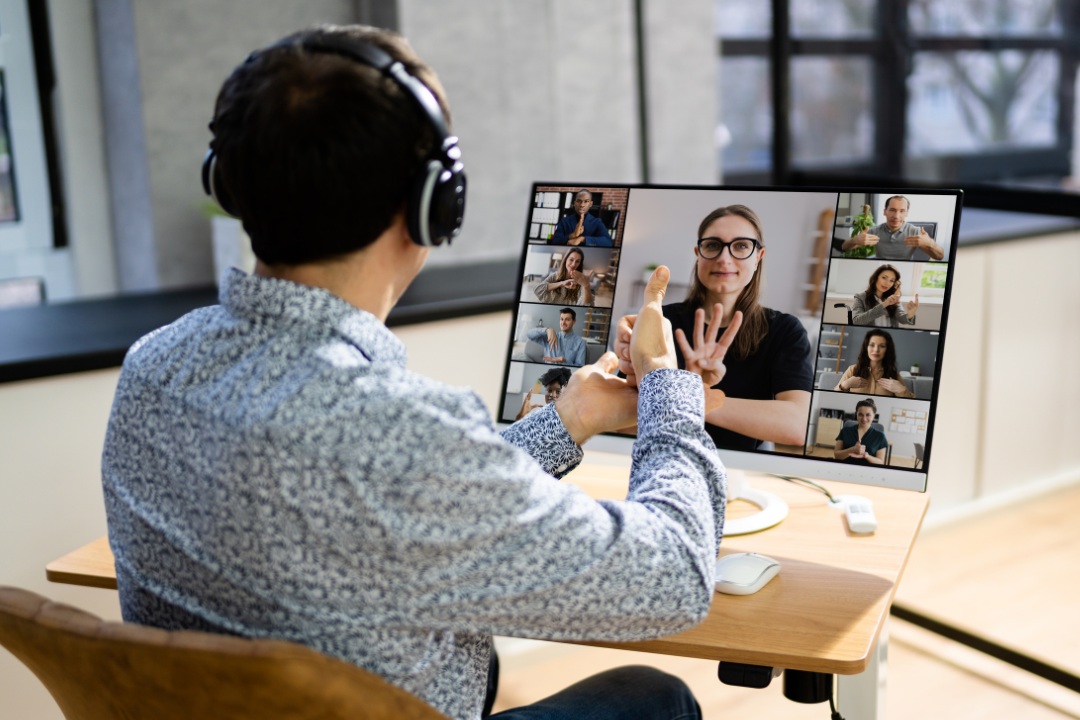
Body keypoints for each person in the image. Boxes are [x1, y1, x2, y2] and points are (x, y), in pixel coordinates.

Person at [100, 25, 730, 720]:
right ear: (435, 205)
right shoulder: (400, 436)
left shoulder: (153, 367)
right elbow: (672, 578)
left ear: (228, 181)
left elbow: (397, 508)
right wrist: (671, 387)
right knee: (656, 699)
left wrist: (569, 422)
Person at [614, 205, 812, 450]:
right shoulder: (660, 320)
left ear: (758, 257)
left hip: (739, 469)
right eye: (713, 245)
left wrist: (690, 396)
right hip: (661, 458)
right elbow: (617, 423)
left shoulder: (785, 330)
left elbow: (796, 425)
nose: (724, 258)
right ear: (699, 253)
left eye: (741, 246)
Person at [842, 195, 946, 261]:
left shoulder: (915, 231)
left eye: (901, 211)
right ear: (885, 212)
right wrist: (855, 240)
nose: (896, 216)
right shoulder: (875, 230)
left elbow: (940, 257)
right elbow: (844, 247)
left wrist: (930, 243)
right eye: (892, 210)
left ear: (906, 213)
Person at [834, 329, 917, 398]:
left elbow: (913, 405)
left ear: (887, 350)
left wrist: (901, 389)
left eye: (882, 346)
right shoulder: (852, 370)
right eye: (872, 345)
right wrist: (845, 385)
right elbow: (833, 397)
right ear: (866, 347)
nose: (876, 350)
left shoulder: (894, 376)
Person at [851, 264, 919, 328]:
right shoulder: (860, 297)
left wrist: (910, 315)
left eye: (891, 280)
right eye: (884, 278)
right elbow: (857, 321)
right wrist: (884, 304)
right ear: (876, 277)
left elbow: (901, 318)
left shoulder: (893, 298)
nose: (887, 283)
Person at [834, 398, 888, 465]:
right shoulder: (845, 430)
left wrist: (866, 456)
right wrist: (852, 449)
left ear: (874, 415)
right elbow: (836, 456)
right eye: (860, 414)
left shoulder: (880, 436)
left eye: (868, 415)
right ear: (856, 414)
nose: (864, 419)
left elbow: (880, 462)